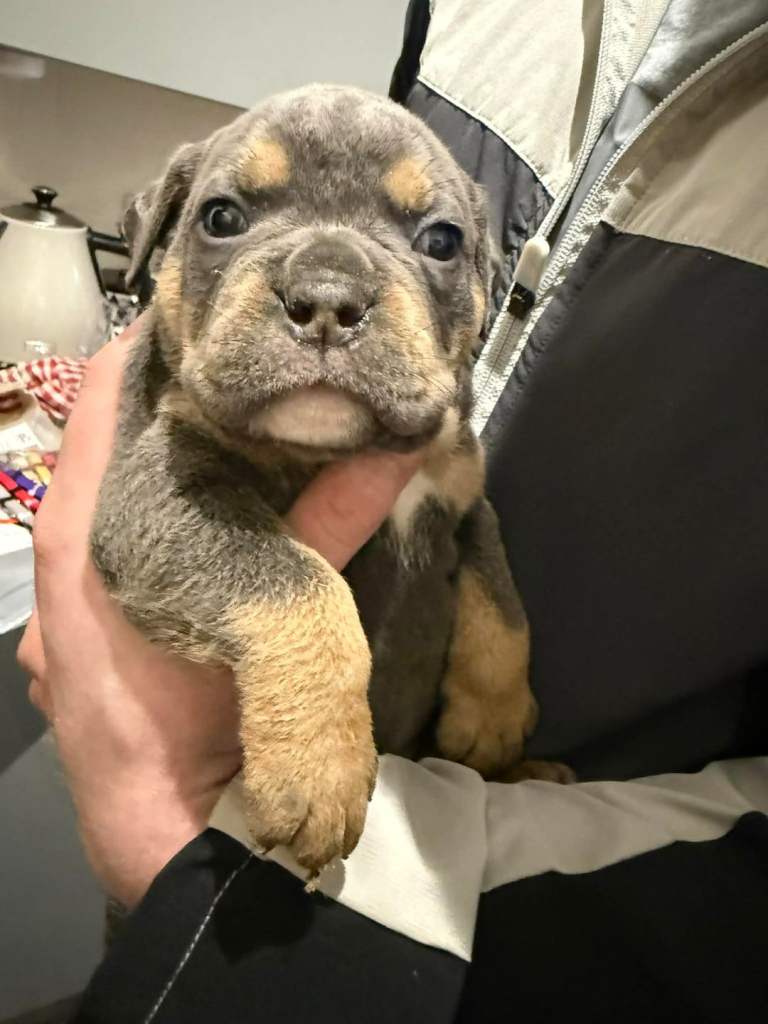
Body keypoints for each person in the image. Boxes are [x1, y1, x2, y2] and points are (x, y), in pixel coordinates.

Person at [19, 1, 768, 1020]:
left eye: (437, 237)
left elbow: (465, 518)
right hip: (222, 905)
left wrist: (494, 664)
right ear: (158, 238)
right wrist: (293, 645)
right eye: (231, 220)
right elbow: (149, 506)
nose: (326, 292)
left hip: (529, 916)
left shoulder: (437, 432)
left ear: (486, 283)